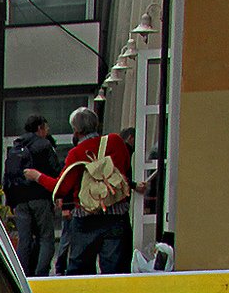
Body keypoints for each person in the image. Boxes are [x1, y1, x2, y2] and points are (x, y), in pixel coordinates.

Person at [26, 106, 142, 275]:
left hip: (87, 219)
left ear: (76, 130)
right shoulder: (116, 142)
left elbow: (61, 189)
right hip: (117, 216)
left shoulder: (76, 153)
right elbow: (124, 171)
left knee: (81, 272)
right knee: (116, 272)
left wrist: (36, 176)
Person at [3, 114, 61, 277]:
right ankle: (41, 273)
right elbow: (56, 170)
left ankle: (23, 274)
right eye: (46, 127)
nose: (47, 131)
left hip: (20, 200)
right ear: (40, 128)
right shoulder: (44, 145)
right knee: (46, 237)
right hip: (40, 197)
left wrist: (11, 201)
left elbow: (8, 175)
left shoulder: (16, 147)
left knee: (24, 239)